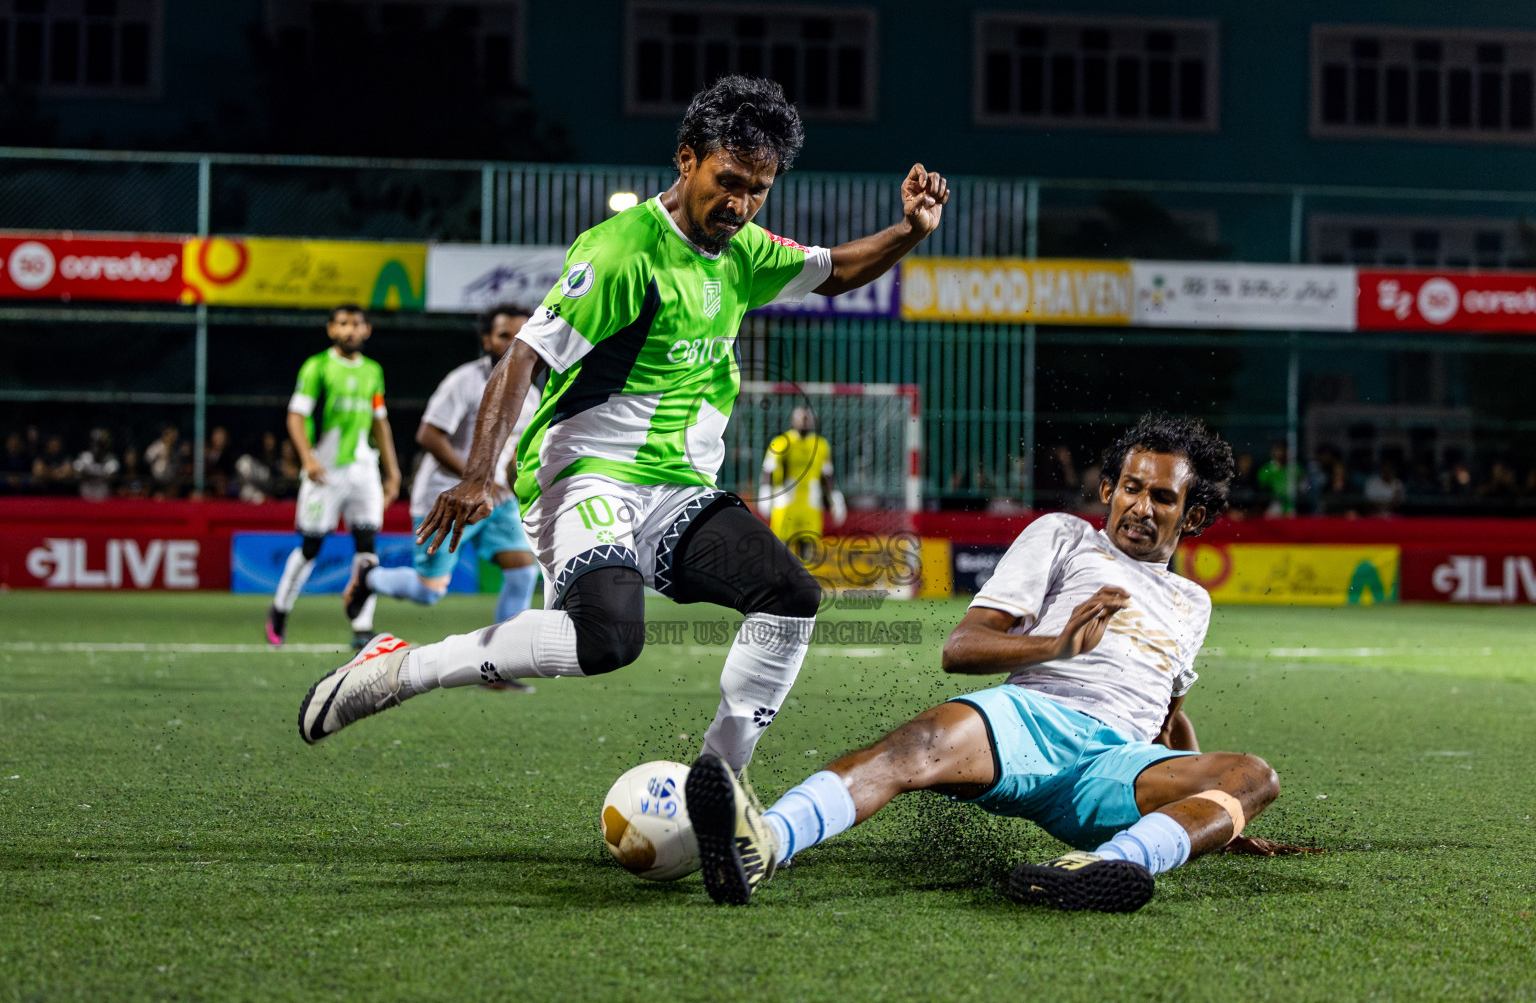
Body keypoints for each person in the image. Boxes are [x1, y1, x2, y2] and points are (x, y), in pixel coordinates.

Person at [296, 74, 948, 777]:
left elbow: (837, 270)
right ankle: (404, 668)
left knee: (791, 594)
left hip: (676, 489)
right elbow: (523, 356)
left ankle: (719, 783)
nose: (740, 202)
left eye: (758, 188)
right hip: (584, 474)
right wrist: (480, 474)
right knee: (608, 640)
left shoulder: (744, 250)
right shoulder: (619, 254)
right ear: (686, 158)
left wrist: (910, 230)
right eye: (728, 179)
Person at [685, 414, 1288, 913]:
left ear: (1193, 516)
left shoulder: (1192, 603)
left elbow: (1169, 719)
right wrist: (1057, 647)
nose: (1140, 506)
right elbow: (961, 647)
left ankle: (1106, 867)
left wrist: (1211, 813)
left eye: (1162, 497)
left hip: (1118, 764)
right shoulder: (1063, 537)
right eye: (1131, 487)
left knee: (1255, 776)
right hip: (1027, 721)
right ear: (1108, 490)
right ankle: (765, 841)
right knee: (913, 745)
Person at [342, 305, 542, 690]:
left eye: (522, 334)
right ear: (487, 340)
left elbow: (514, 453)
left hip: (496, 500)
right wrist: (475, 479)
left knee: (522, 572)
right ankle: (371, 576)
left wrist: (522, 485)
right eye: (504, 334)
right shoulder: (463, 382)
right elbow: (428, 436)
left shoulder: (530, 393)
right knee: (428, 591)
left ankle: (495, 668)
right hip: (446, 498)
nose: (513, 342)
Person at [266, 304, 401, 650]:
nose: (350, 330)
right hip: (324, 470)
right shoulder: (317, 367)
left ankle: (362, 625)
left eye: (357, 324)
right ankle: (280, 608)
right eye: (343, 324)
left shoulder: (374, 371)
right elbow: (296, 416)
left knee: (367, 545)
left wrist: (392, 471)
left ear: (367, 330)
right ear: (331, 330)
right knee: (311, 547)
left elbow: (379, 422)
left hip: (363, 469)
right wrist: (307, 458)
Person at [758, 405, 845, 559]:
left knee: (808, 545)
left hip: (810, 502)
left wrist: (835, 498)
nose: (805, 422)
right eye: (801, 418)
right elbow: (768, 470)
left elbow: (827, 475)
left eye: (807, 418)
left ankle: (803, 579)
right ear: (793, 420)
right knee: (781, 546)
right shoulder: (781, 442)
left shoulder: (821, 445)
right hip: (786, 501)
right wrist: (765, 492)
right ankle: (780, 580)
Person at [74, 428, 120, 501]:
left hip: (103, 500)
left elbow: (111, 476)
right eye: (95, 443)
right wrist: (101, 475)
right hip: (85, 499)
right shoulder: (85, 456)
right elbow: (77, 473)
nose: (97, 447)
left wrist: (89, 474)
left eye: (100, 444)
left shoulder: (111, 459)